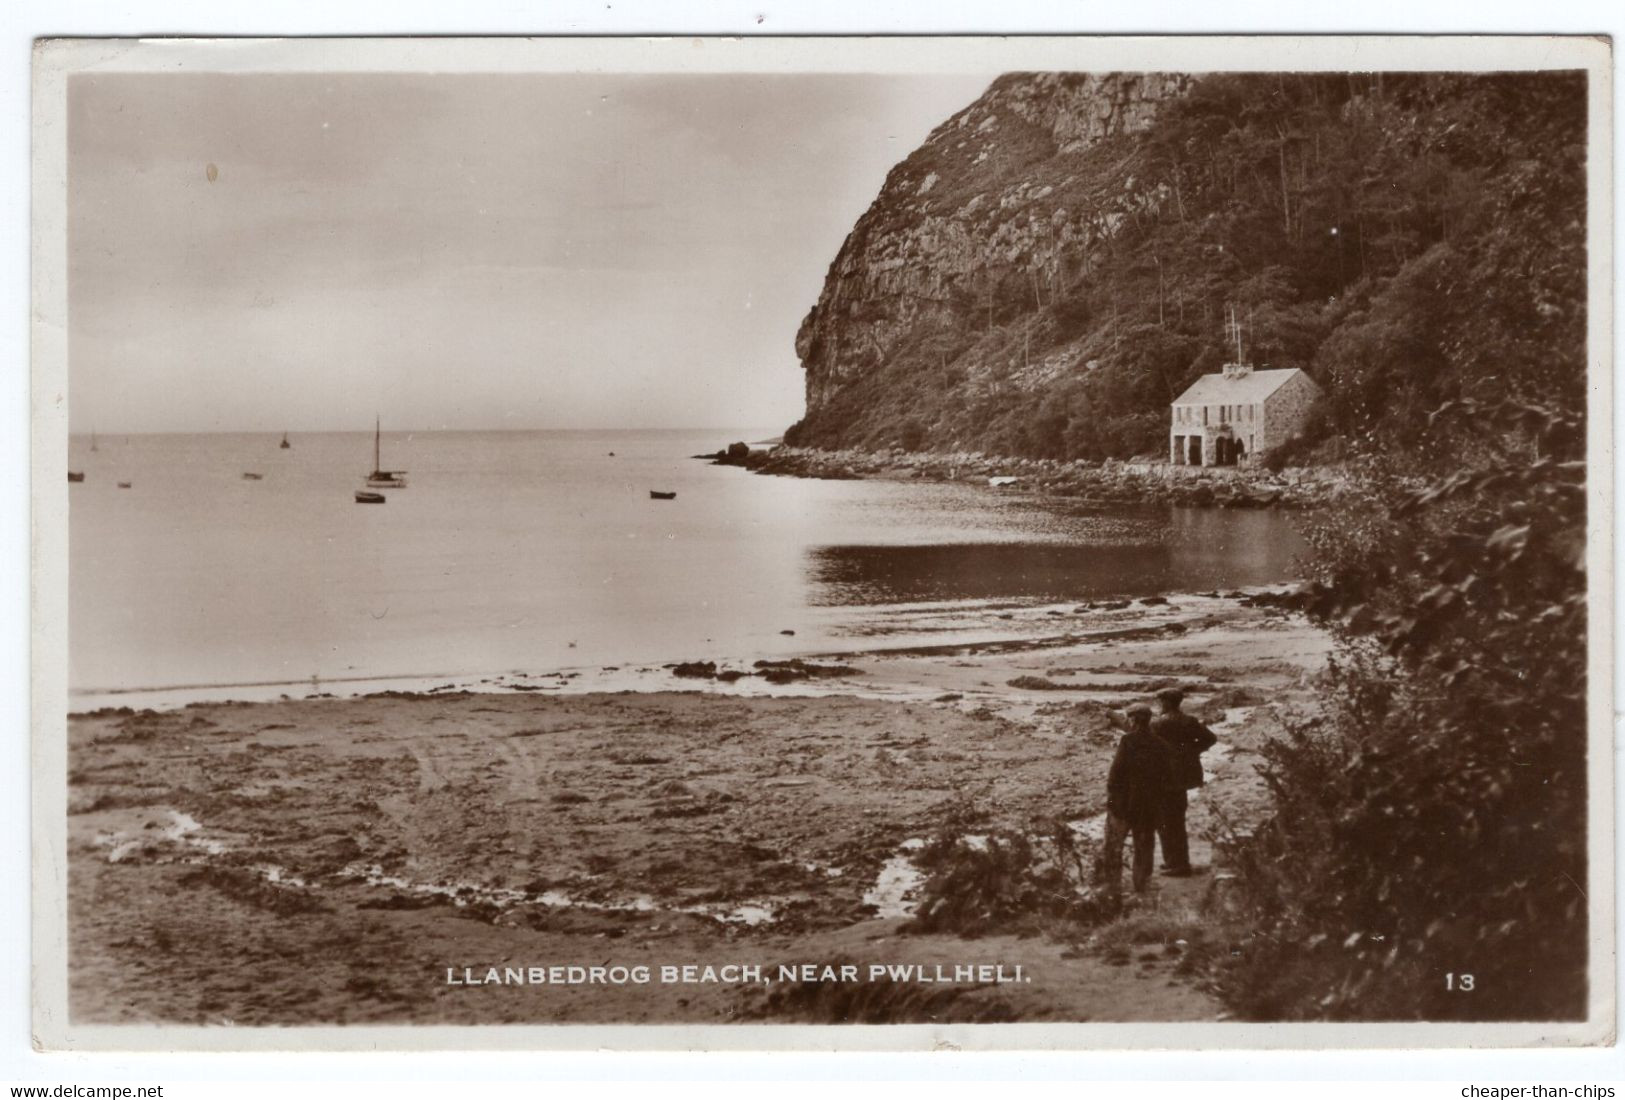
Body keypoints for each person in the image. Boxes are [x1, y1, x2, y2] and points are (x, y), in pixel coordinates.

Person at [1096, 703, 1172, 895]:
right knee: (1144, 849)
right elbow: (1166, 780)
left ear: (1133, 720)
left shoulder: (1127, 741)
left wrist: (1113, 802)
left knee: (1114, 848)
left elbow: (1115, 775)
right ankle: (1141, 890)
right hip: (1148, 808)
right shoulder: (1162, 745)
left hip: (1123, 806)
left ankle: (1112, 889)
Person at [1150, 687, 1218, 877]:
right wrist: (1192, 752)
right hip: (1183, 778)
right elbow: (1210, 738)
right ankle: (1175, 861)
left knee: (1165, 821)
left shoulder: (1158, 724)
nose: (1158, 705)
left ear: (1165, 702)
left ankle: (1177, 864)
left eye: (1160, 701)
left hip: (1164, 778)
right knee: (1176, 820)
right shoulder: (1189, 721)